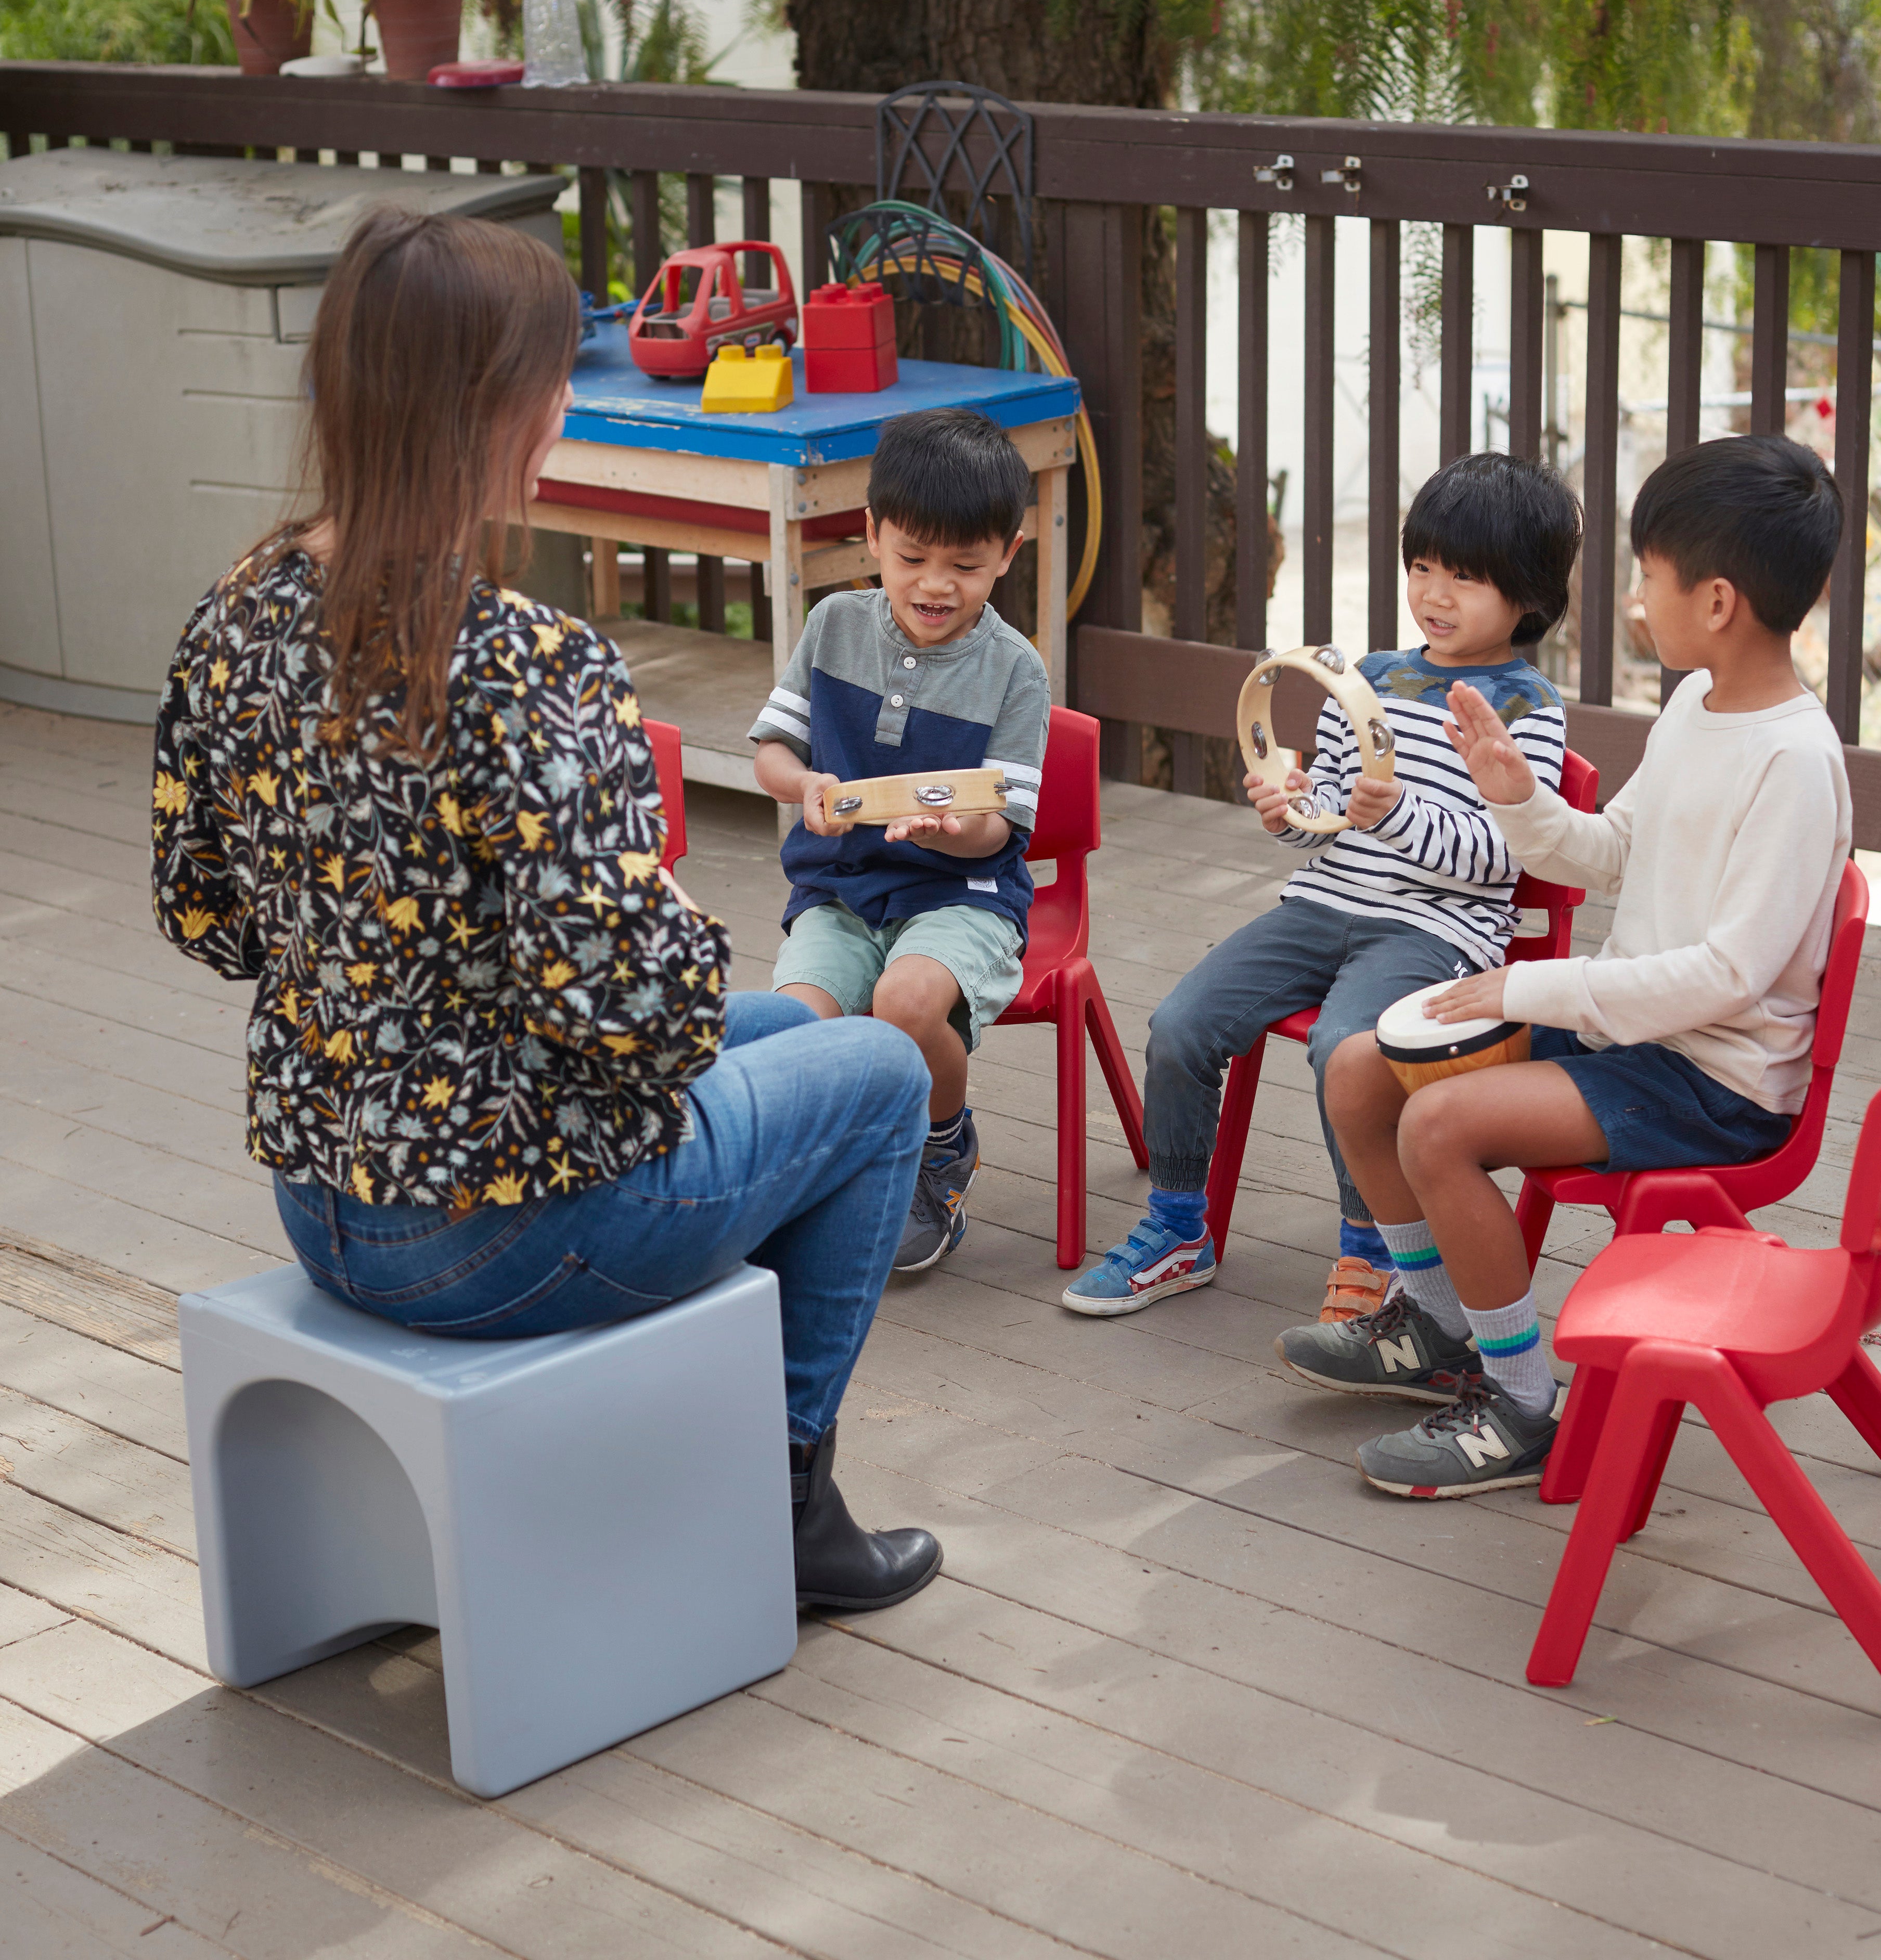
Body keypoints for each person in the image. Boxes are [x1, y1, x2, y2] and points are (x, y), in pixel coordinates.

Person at [149, 204, 942, 1613]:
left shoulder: (235, 611)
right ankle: (785, 1493)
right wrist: (669, 924)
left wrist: (378, 951)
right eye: (546, 374)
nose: (566, 398)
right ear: (489, 411)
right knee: (877, 1068)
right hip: (504, 1232)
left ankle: (690, 1436)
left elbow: (203, 914)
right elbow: (626, 1008)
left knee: (780, 1025)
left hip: (322, 1197)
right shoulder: (525, 659)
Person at [1283, 433, 1851, 1499]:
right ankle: (1441, 1331)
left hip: (1711, 1081)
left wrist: (1527, 986)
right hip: (1629, 1029)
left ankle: (1519, 1403)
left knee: (1436, 1124)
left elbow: (1727, 973)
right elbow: (1609, 850)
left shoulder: (1792, 760)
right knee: (1358, 1069)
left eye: (1649, 576)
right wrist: (1514, 794)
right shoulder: (1695, 703)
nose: (1637, 599)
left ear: (1717, 599)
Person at [1061, 452, 1576, 1319]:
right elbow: (1332, 815)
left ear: (1528, 595)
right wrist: (1288, 810)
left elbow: (1506, 858)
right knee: (1182, 1023)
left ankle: (1371, 1243)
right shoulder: (1368, 680)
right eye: (1423, 569)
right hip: (1326, 903)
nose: (1435, 595)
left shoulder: (1529, 711)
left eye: (1465, 578)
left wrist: (1396, 814)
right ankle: (1179, 1225)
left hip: (1436, 935)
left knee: (1347, 1048)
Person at [749, 408, 1051, 1272]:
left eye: (965, 565)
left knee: (907, 1004)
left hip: (963, 894)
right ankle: (829, 1170)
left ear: (1007, 554)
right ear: (872, 534)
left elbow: (1000, 827)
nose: (936, 585)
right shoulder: (834, 626)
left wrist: (957, 832)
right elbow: (774, 752)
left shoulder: (1016, 670)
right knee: (792, 1031)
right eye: (913, 557)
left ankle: (942, 1146)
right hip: (841, 889)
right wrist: (803, 785)